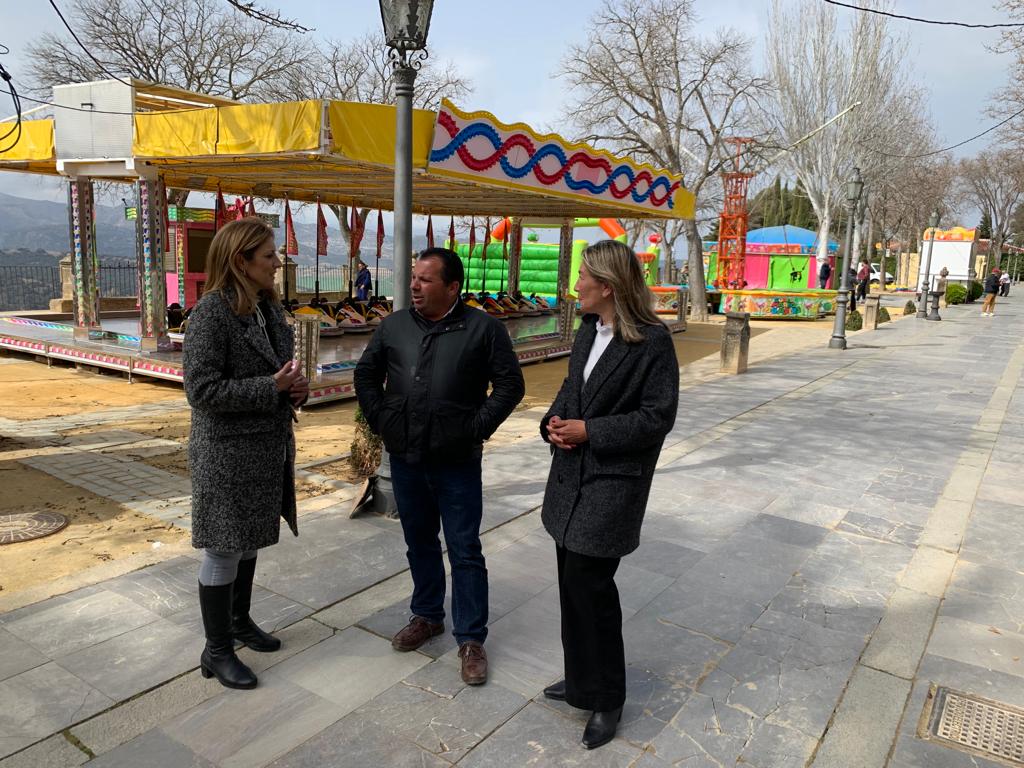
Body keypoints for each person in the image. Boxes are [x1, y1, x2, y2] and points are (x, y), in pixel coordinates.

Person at [354, 247, 525, 685]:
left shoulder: (484, 329)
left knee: (464, 549)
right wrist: (383, 420)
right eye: (414, 277)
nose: (414, 285)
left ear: (452, 287)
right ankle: (427, 615)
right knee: (419, 542)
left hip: (457, 463)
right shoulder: (394, 326)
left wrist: (475, 428)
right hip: (407, 459)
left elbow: (510, 386)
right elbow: (365, 375)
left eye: (425, 279)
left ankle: (471, 638)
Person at [539, 240, 679, 750]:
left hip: (611, 485)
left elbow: (657, 418)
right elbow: (570, 390)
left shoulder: (652, 342)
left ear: (608, 285)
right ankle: (581, 680)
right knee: (570, 587)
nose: (575, 284)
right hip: (569, 479)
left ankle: (607, 697)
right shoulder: (586, 331)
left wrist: (591, 431)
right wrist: (552, 422)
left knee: (591, 590)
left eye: (582, 276)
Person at [183, 217, 309, 690]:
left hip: (264, 449)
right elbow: (201, 390)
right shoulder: (210, 315)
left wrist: (294, 390)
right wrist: (270, 386)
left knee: (250, 538)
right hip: (226, 455)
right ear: (241, 261)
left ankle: (238, 622)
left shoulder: (268, 308)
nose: (277, 263)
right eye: (269, 256)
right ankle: (216, 651)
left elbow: (279, 375)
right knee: (224, 547)